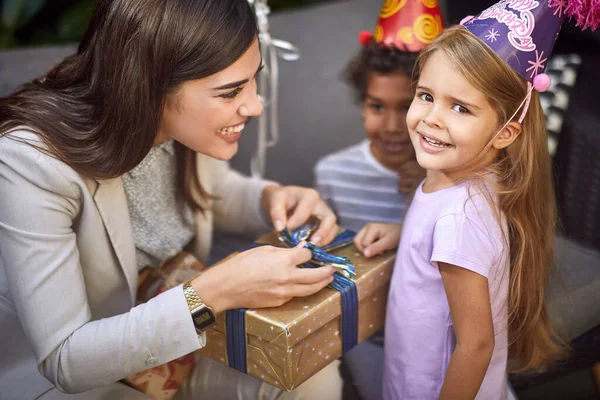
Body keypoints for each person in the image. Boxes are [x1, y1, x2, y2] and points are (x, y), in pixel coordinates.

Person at [0, 1, 344, 399]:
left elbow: (212, 194)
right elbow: (67, 360)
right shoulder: (29, 162)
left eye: (253, 81)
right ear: (150, 86)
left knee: (308, 371)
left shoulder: (178, 127)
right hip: (76, 381)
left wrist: (271, 198)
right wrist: (212, 293)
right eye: (231, 91)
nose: (255, 106)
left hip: (173, 350)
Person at [352, 0, 592, 395]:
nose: (431, 117)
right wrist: (407, 235)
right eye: (426, 95)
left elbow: (477, 345)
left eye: (460, 108)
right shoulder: (467, 180)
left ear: (504, 133)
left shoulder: (457, 221)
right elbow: (459, 241)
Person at [313, 0, 445, 232]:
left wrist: (433, 187)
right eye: (377, 107)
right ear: (362, 104)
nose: (392, 127)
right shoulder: (333, 175)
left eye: (407, 107)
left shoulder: (456, 180)